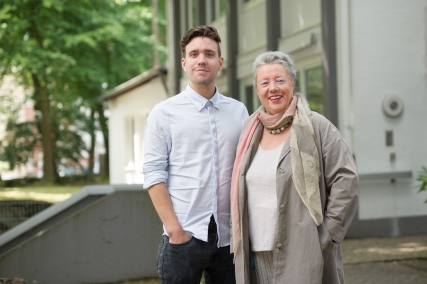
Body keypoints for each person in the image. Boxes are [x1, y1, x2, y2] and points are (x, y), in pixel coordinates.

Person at [230, 51, 359, 284]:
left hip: (304, 253)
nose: (273, 88)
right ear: (257, 90)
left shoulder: (317, 127)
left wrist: (327, 235)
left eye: (280, 80)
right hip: (256, 255)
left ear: (292, 83)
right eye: (265, 82)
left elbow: (346, 180)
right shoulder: (249, 133)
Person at [143, 25, 248, 284]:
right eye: (194, 54)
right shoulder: (164, 113)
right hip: (184, 238)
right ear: (184, 62)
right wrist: (175, 231)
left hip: (228, 240)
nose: (202, 59)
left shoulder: (238, 112)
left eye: (209, 54)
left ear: (220, 62)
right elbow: (153, 174)